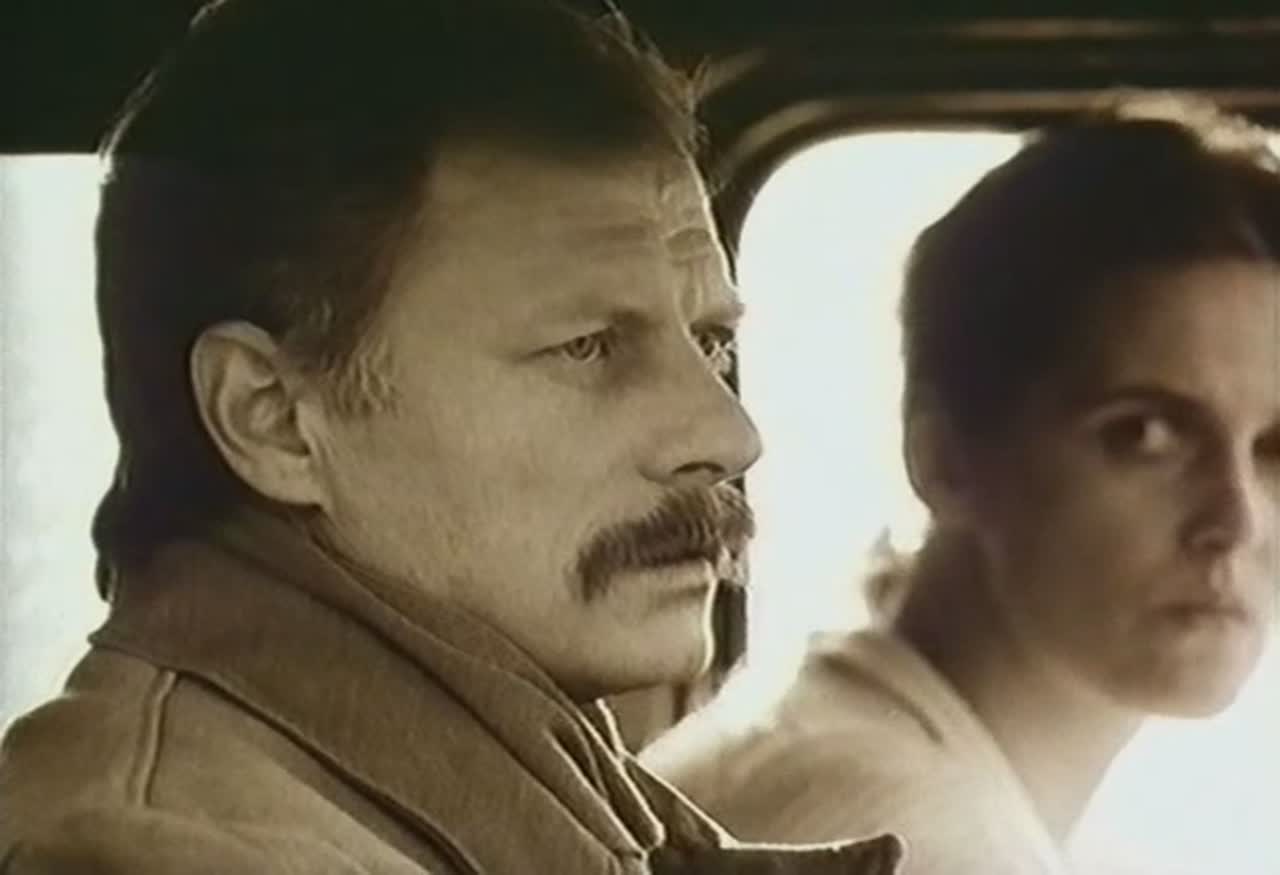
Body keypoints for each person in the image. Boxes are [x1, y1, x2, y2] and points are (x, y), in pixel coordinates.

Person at [0, 1, 906, 873]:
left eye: (709, 342)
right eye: (587, 345)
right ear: (273, 418)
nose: (727, 435)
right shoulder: (163, 851)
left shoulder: (530, 802)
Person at [643, 97, 1280, 874]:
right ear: (944, 459)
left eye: (1275, 449)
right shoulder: (908, 833)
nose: (1236, 518)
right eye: (1143, 433)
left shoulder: (857, 744)